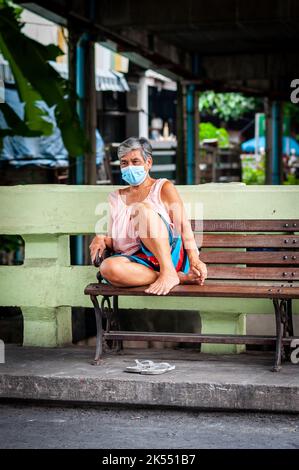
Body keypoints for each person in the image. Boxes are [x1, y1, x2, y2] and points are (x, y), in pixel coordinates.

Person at [89, 137, 208, 296]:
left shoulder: (162, 187)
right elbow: (118, 241)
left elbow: (183, 226)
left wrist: (195, 259)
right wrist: (101, 239)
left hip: (168, 254)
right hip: (139, 262)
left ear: (148, 163)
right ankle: (174, 276)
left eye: (135, 161)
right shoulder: (115, 198)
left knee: (140, 210)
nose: (129, 167)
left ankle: (168, 270)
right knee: (107, 268)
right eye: (124, 163)